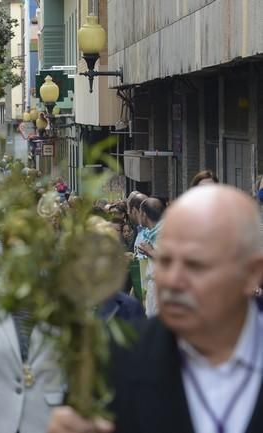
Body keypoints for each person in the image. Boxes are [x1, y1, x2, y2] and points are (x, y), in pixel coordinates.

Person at [47, 184, 263, 433]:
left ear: (251, 273)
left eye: (195, 265)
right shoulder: (115, 358)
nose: (172, 280)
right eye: (165, 260)